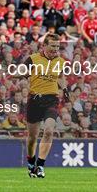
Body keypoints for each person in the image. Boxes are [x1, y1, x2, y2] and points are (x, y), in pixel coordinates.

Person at [20, 33, 67, 178]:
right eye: (52, 45)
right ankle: (30, 162)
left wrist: (64, 87)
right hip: (34, 100)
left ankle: (40, 165)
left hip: (51, 99)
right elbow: (21, 71)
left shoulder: (61, 61)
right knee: (32, 137)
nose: (55, 48)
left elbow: (61, 78)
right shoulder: (33, 59)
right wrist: (22, 74)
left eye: (57, 46)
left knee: (48, 131)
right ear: (44, 46)